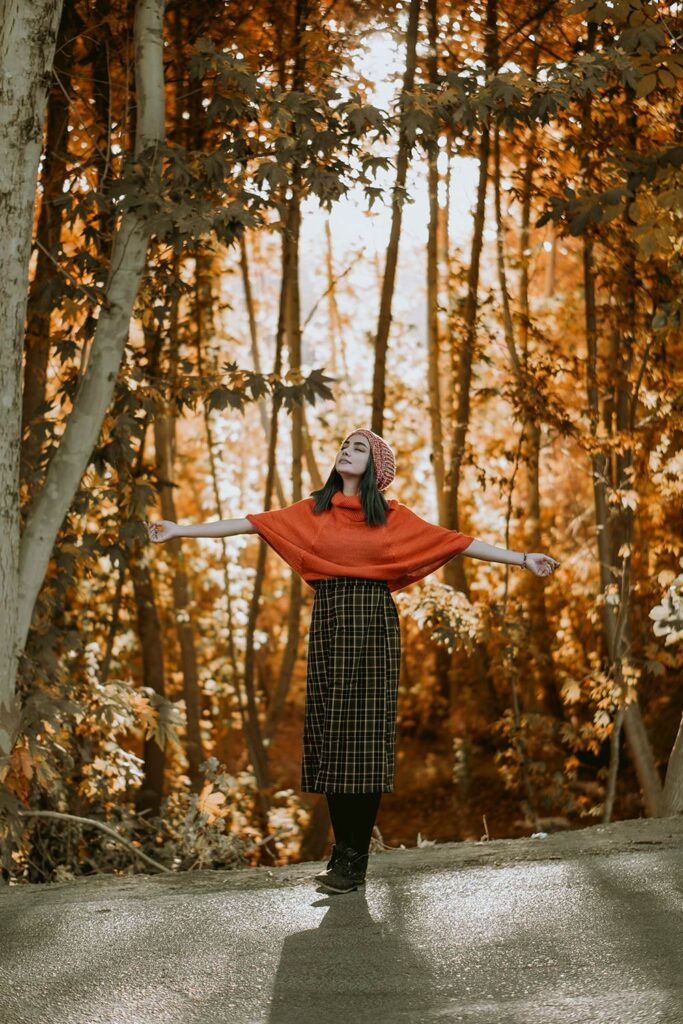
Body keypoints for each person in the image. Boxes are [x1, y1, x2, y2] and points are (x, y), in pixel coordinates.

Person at [146, 428, 559, 894]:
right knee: (331, 738)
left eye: (358, 447)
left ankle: (354, 862)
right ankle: (343, 852)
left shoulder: (392, 518)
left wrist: (523, 559)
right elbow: (248, 523)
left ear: (376, 467)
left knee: (362, 741)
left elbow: (457, 543)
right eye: (344, 445)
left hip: (372, 627)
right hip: (329, 624)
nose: (346, 451)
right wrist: (180, 530)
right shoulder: (313, 510)